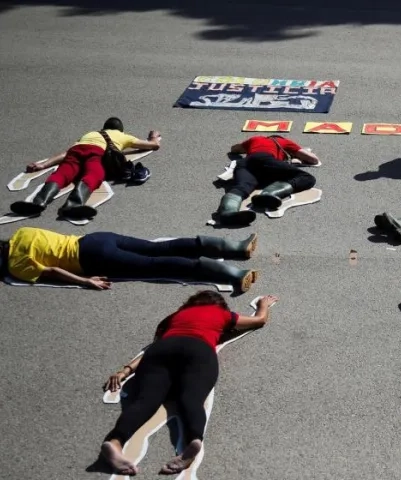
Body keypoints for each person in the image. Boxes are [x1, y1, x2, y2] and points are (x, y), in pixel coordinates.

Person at [98, 291, 278, 476]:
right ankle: (193, 441)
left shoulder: (175, 316)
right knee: (191, 399)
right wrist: (262, 305)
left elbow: (152, 347)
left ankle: (115, 442)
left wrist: (125, 371)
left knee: (145, 401)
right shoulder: (221, 314)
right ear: (220, 305)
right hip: (198, 350)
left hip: (163, 349)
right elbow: (259, 321)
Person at [0, 227, 259, 293]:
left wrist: (85, 281)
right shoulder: (22, 233)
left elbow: (53, 270)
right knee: (159, 248)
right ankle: (236, 247)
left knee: (155, 266)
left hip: (91, 258)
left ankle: (233, 274)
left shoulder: (15, 266)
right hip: (95, 239)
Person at [10, 117, 161, 219]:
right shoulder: (121, 135)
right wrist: (154, 136)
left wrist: (43, 164)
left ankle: (38, 203)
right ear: (120, 130)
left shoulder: (90, 134)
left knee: (62, 174)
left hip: (76, 152)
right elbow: (153, 146)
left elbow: (65, 153)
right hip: (95, 153)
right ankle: (72, 205)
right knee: (94, 175)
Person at [216, 134, 319, 226]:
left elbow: (234, 149)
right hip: (266, 161)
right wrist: (293, 154)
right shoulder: (283, 142)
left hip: (245, 164)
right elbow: (313, 159)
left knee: (241, 187)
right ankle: (269, 194)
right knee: (307, 178)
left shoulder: (256, 139)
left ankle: (227, 213)